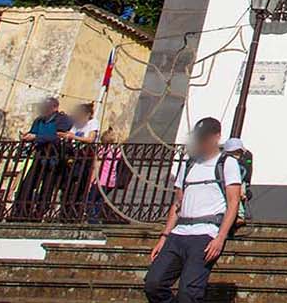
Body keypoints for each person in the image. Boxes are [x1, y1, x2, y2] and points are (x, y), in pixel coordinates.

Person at [144, 116, 242, 303]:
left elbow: (233, 202)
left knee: (189, 293)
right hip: (178, 234)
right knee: (153, 284)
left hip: (206, 234)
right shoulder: (189, 164)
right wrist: (164, 236)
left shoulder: (227, 164)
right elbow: (178, 203)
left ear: (216, 137)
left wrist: (220, 237)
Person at [14, 97, 72, 218]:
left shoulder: (63, 120)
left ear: (55, 107)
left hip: (54, 156)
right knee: (28, 183)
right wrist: (28, 136)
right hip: (39, 154)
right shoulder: (39, 120)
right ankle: (21, 210)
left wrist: (36, 137)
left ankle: (41, 211)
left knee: (48, 185)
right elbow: (34, 132)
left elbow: (57, 136)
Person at [88, 127, 124, 224]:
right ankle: (96, 218)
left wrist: (91, 181)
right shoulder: (117, 152)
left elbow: (96, 167)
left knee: (90, 201)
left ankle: (92, 221)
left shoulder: (101, 151)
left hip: (100, 180)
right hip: (110, 181)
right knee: (100, 201)